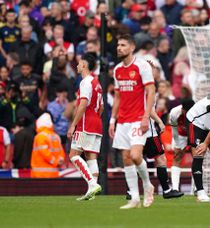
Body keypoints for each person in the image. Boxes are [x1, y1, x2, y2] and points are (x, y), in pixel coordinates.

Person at [109, 34, 156, 209]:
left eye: (122, 45)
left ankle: (147, 185)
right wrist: (112, 120)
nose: (119, 48)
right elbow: (118, 97)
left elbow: (151, 92)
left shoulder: (142, 66)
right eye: (118, 45)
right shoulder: (117, 70)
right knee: (126, 158)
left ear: (132, 47)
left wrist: (146, 116)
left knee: (136, 155)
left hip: (138, 119)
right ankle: (135, 198)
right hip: (122, 120)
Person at [67, 53, 103, 201]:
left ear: (84, 65)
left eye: (79, 62)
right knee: (91, 157)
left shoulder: (85, 82)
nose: (77, 65)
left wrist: (73, 125)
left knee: (74, 155)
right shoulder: (97, 83)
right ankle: (92, 190)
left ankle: (92, 184)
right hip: (96, 123)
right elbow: (101, 108)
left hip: (85, 122)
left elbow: (82, 105)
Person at [169, 99, 195, 192]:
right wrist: (177, 144)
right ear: (182, 109)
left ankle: (197, 188)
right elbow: (174, 130)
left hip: (195, 133)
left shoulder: (198, 112)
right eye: (186, 112)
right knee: (177, 157)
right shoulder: (174, 113)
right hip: (181, 135)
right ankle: (175, 188)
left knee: (197, 157)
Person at [31, 113, 65, 178]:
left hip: (40, 175)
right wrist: (59, 161)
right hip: (54, 174)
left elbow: (45, 153)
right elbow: (61, 152)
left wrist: (55, 162)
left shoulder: (40, 136)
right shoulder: (56, 136)